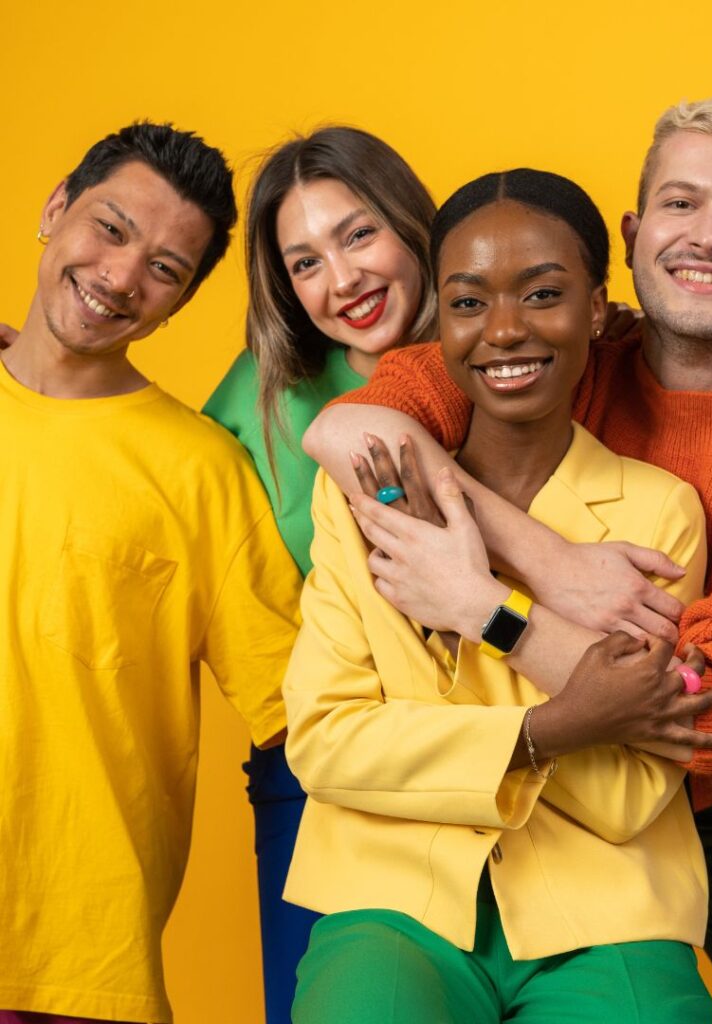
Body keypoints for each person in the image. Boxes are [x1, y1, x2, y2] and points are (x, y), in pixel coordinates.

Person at [304, 95, 712, 1023]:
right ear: (634, 235)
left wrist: (489, 609)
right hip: (452, 819)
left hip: (696, 813)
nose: (710, 236)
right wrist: (549, 560)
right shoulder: (555, 337)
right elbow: (349, 428)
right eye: (683, 204)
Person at [0, 123, 302, 1024]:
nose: (122, 277)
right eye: (111, 228)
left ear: (179, 304)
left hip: (72, 957)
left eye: (167, 269)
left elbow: (301, 714)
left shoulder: (201, 469)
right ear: (57, 208)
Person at [202, 126, 437, 1024]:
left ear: (412, 225)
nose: (341, 281)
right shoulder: (265, 386)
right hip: (323, 764)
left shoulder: (513, 349)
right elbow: (157, 483)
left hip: (512, 749)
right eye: (303, 262)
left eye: (357, 234)